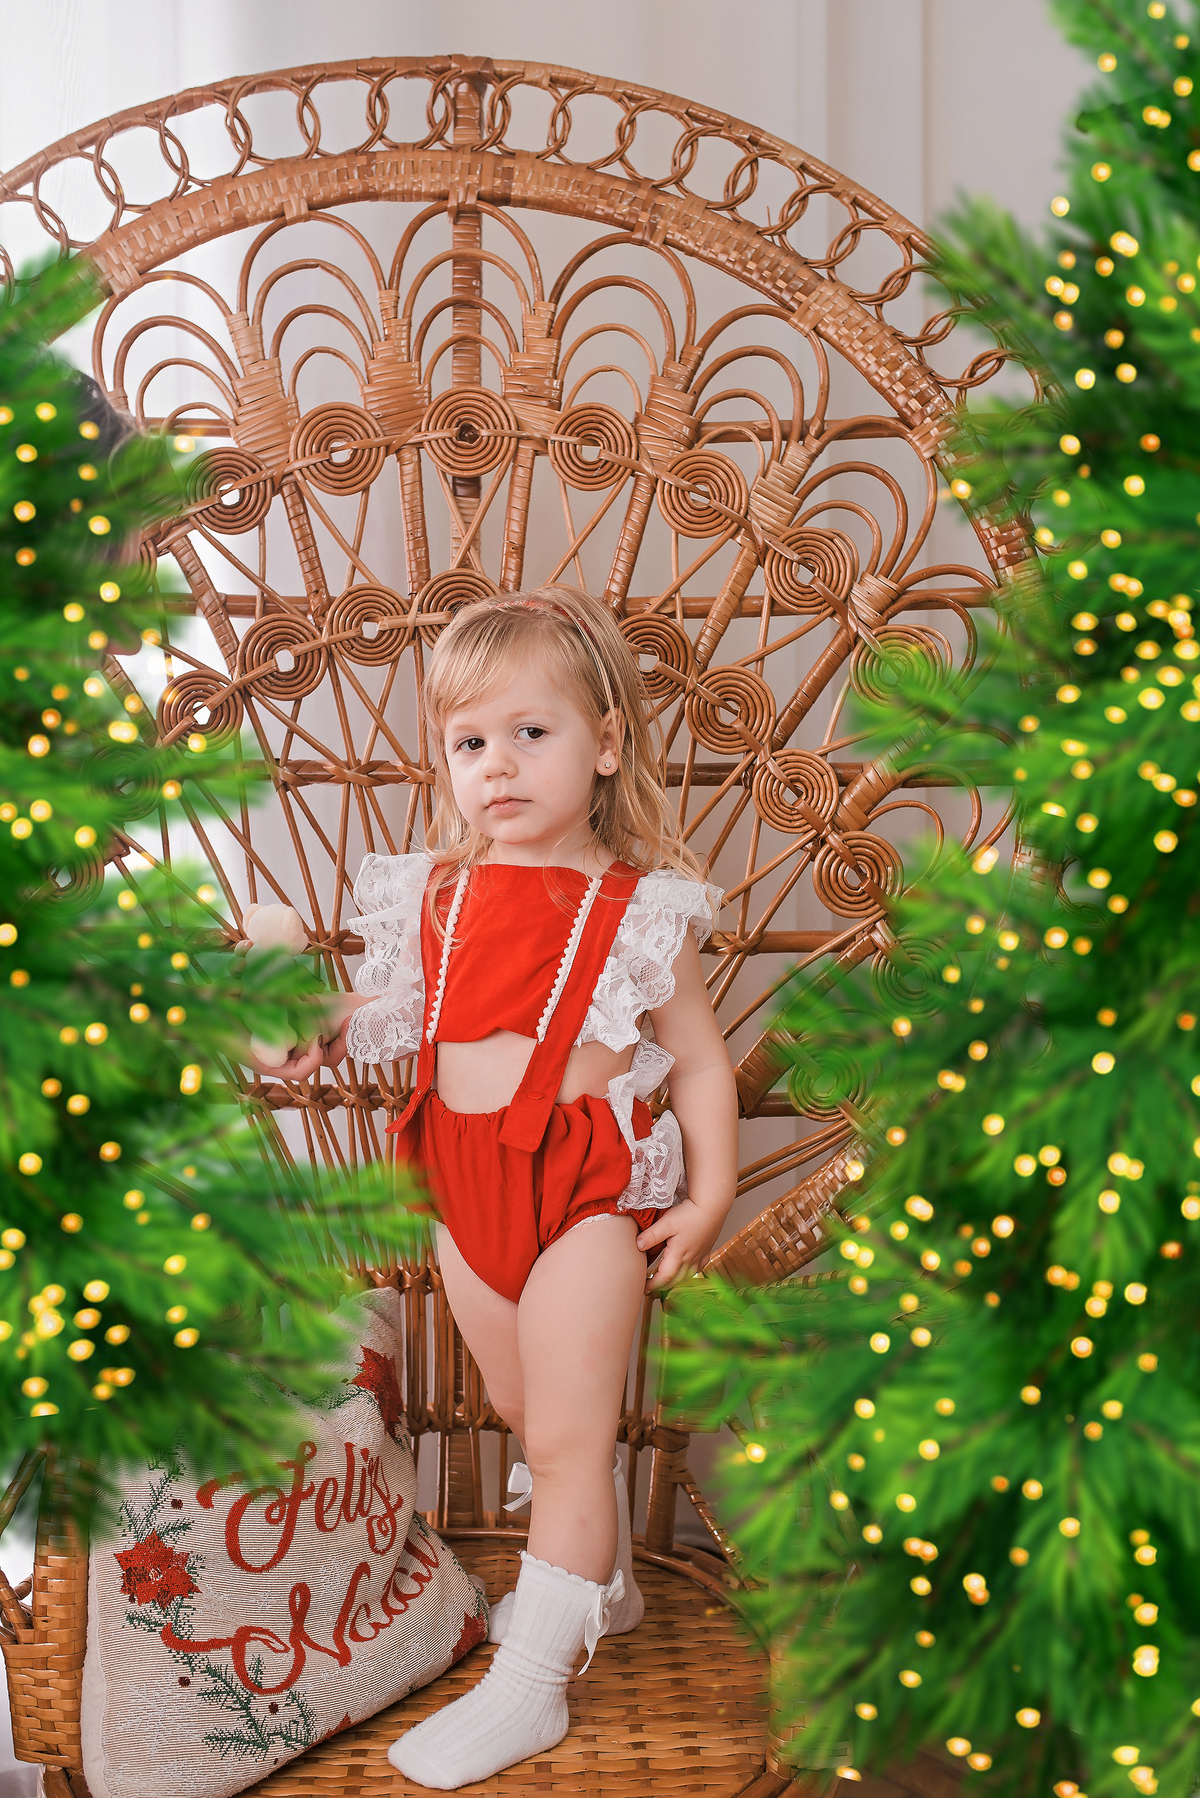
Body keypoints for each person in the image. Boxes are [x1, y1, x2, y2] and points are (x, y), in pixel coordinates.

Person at [258, 585, 738, 1789]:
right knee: (531, 1416)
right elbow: (383, 1017)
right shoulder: (433, 893)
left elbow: (699, 1060)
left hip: (582, 1188)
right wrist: (306, 1021)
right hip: (460, 1182)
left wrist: (710, 1192)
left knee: (571, 1442)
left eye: (532, 732)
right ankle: (605, 1582)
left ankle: (531, 1687)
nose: (499, 766)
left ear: (606, 743)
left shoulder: (639, 908)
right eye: (471, 741)